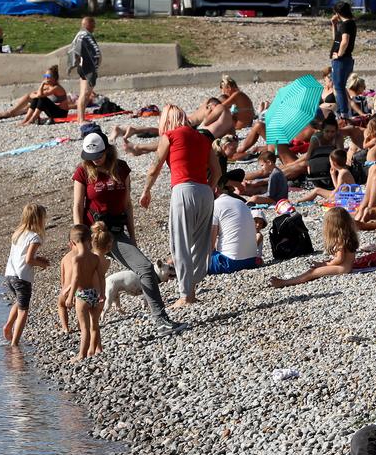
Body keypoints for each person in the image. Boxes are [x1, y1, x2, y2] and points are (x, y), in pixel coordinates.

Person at [72, 133, 179, 333]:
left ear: (107, 149)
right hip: (91, 234)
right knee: (86, 282)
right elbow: (78, 205)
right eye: (90, 155)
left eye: (99, 153)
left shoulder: (121, 168)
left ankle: (161, 320)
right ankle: (84, 330)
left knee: (146, 268)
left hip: (115, 234)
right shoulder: (82, 172)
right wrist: (79, 240)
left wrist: (133, 237)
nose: (95, 158)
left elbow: (127, 205)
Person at [140, 106, 222, 307]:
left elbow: (155, 166)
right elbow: (217, 171)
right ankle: (192, 286)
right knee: (200, 243)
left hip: (183, 189)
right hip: (205, 191)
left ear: (167, 121)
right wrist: (209, 188)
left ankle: (186, 295)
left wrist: (146, 190)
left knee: (180, 242)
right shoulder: (203, 138)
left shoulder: (170, 135)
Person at [270, 206, 359, 287]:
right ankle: (286, 281)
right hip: (346, 267)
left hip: (342, 269)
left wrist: (325, 264)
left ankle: (284, 283)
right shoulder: (347, 236)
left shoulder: (339, 240)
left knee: (312, 273)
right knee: (314, 270)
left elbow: (340, 259)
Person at [58, 224, 108, 360]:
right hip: (94, 294)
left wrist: (69, 297)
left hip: (82, 295)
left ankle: (81, 355)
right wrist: (102, 294)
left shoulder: (76, 259)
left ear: (72, 242)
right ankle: (95, 350)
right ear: (89, 240)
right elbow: (101, 276)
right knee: (95, 325)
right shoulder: (95, 258)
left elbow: (75, 278)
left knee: (84, 328)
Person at [3, 202, 49, 346]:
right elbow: (29, 259)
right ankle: (15, 343)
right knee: (24, 310)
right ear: (39, 219)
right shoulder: (35, 237)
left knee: (18, 301)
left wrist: (39, 258)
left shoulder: (18, 233)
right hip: (22, 277)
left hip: (10, 274)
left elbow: (20, 255)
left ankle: (9, 325)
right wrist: (42, 264)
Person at [209, 169, 262, 274]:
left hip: (230, 263)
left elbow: (210, 245)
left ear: (215, 190)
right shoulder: (242, 203)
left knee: (194, 258)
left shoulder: (216, 205)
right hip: (251, 261)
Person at [0, 66, 68, 121]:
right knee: (33, 98)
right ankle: (14, 115)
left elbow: (39, 95)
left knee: (40, 99)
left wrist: (41, 86)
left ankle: (29, 120)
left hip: (60, 113)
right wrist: (36, 95)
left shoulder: (56, 88)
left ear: (54, 78)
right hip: (52, 110)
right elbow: (32, 94)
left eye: (48, 76)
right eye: (45, 76)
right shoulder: (48, 85)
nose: (46, 78)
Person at [329, 1, 357, 119]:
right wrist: (334, 25)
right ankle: (342, 111)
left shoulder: (346, 25)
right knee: (340, 86)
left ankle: (343, 113)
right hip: (347, 59)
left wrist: (339, 55)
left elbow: (344, 41)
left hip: (342, 60)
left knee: (338, 87)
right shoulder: (350, 24)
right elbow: (337, 39)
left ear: (338, 12)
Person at [70, 15, 102, 116]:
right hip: (87, 67)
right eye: (93, 24)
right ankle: (81, 118)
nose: (94, 27)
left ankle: (81, 117)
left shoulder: (80, 35)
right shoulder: (85, 36)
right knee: (85, 93)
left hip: (83, 67)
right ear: (87, 24)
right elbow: (92, 51)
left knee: (84, 93)